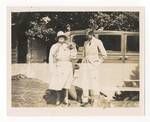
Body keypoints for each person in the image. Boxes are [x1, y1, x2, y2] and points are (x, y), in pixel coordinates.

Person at [79, 30, 107, 107]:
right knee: (85, 82)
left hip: (94, 66)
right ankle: (85, 100)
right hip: (86, 66)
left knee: (94, 83)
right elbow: (83, 55)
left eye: (89, 34)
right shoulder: (85, 43)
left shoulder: (98, 42)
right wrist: (83, 64)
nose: (88, 36)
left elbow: (104, 55)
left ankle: (94, 100)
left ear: (92, 34)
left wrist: (98, 63)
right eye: (87, 35)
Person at [48, 31, 77, 106]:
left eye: (63, 37)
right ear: (57, 38)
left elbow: (74, 56)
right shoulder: (54, 46)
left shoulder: (68, 46)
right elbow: (51, 57)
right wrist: (52, 68)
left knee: (66, 84)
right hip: (59, 66)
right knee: (58, 83)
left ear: (64, 38)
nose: (61, 38)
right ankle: (58, 99)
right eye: (60, 37)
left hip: (67, 65)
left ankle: (66, 98)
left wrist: (73, 48)